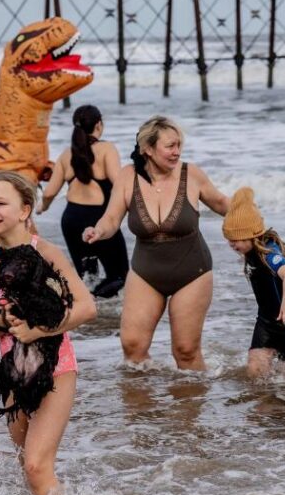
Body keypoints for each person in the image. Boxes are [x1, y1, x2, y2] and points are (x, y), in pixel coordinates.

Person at [0, 171, 97, 495]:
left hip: (56, 368)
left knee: (35, 466)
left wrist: (39, 331)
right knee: (28, 464)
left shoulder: (47, 253)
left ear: (25, 209)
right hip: (13, 373)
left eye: (1, 202)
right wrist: (1, 320)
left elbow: (87, 308)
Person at [83, 116, 230, 370]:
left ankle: (191, 403)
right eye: (170, 146)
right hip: (146, 273)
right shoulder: (128, 176)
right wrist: (98, 231)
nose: (177, 152)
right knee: (132, 347)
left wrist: (250, 216)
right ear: (148, 149)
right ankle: (145, 406)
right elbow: (111, 218)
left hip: (192, 272)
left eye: (179, 145)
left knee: (185, 351)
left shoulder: (190, 173)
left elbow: (221, 204)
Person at [39, 105, 130, 297]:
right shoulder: (107, 149)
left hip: (71, 220)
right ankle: (95, 306)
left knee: (87, 275)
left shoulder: (66, 155)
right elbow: (119, 183)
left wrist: (42, 208)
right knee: (119, 275)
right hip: (99, 220)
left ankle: (86, 314)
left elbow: (49, 193)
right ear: (99, 125)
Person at [223, 187, 285, 378]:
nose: (233, 245)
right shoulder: (249, 251)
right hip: (266, 321)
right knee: (255, 372)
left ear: (253, 234)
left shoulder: (269, 252)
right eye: (229, 241)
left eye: (236, 239)